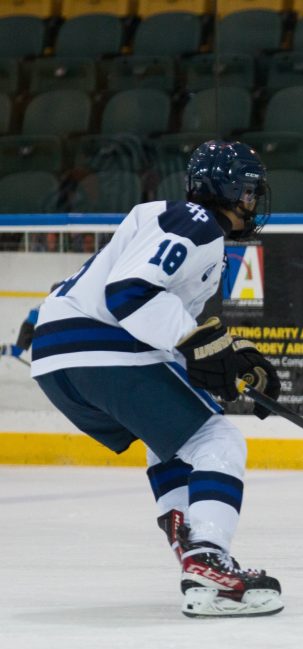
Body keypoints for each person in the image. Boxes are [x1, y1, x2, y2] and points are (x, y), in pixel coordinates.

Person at [27, 140, 286, 617]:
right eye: (248, 191)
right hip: (97, 346)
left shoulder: (172, 225)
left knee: (171, 438)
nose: (252, 202)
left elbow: (151, 320)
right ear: (227, 190)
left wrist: (229, 356)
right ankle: (207, 556)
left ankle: (190, 541)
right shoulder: (198, 222)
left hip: (56, 360)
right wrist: (196, 341)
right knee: (218, 442)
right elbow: (129, 292)